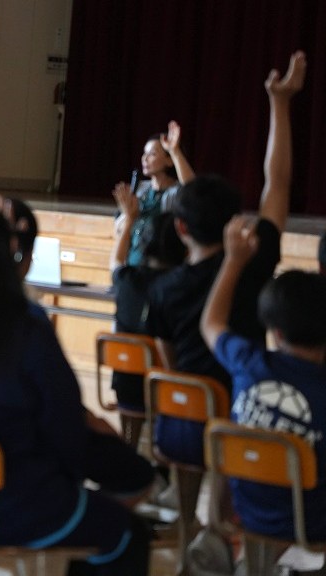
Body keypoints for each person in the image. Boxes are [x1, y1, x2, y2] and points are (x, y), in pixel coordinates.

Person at [0, 203, 152, 576]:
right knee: (127, 532)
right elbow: (63, 420)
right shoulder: (26, 325)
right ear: (9, 252)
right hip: (15, 502)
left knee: (101, 499)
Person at [146, 50, 305, 468]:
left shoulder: (163, 289)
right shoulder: (252, 262)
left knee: (189, 425)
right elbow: (278, 184)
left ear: (181, 229)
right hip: (242, 414)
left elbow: (169, 361)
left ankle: (189, 506)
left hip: (184, 419)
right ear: (234, 220)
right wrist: (280, 104)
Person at [201, 217, 326, 544]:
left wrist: (233, 260)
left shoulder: (248, 361)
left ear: (276, 332)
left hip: (247, 511)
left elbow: (211, 323)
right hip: (310, 524)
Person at [108, 189, 187, 441]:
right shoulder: (179, 287)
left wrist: (129, 219)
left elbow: (116, 261)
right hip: (167, 387)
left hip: (126, 384)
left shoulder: (126, 280)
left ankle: (129, 446)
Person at [114, 120, 195, 266]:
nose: (144, 158)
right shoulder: (139, 190)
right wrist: (127, 213)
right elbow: (119, 229)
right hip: (133, 266)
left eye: (152, 154)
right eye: (144, 153)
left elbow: (193, 189)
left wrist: (174, 151)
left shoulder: (176, 192)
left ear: (169, 160)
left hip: (162, 268)